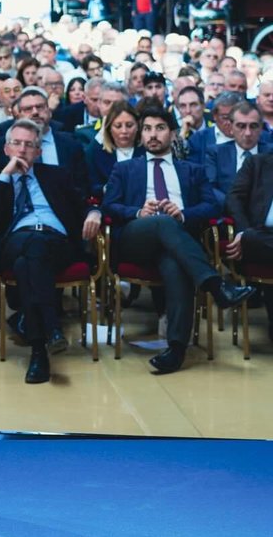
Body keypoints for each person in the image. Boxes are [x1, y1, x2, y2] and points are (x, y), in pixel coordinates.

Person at [102, 106, 254, 374]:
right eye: (147, 128)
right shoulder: (125, 169)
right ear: (141, 134)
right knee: (161, 221)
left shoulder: (191, 170)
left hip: (177, 244)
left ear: (172, 134)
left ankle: (176, 349)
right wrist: (138, 211)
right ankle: (217, 286)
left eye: (159, 128)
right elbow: (109, 205)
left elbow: (213, 207)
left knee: (174, 262)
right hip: (137, 239)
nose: (152, 134)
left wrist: (183, 214)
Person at [0, 118, 99, 384]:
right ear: (6, 149)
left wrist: (94, 212)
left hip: (57, 242)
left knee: (27, 264)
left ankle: (38, 351)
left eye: (29, 145)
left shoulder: (57, 176)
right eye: (16, 144)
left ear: (39, 151)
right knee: (30, 246)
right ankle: (51, 329)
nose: (22, 150)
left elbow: (83, 204)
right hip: (14, 241)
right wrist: (6, 176)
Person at [225, 152, 273, 338]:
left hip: (258, 239)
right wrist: (244, 231)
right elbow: (233, 198)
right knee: (255, 240)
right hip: (260, 238)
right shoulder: (257, 162)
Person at [86, 100, 142, 199]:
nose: (124, 131)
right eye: (118, 126)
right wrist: (106, 189)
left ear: (137, 126)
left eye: (129, 125)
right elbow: (90, 186)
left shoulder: (146, 151)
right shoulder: (97, 151)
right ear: (109, 128)